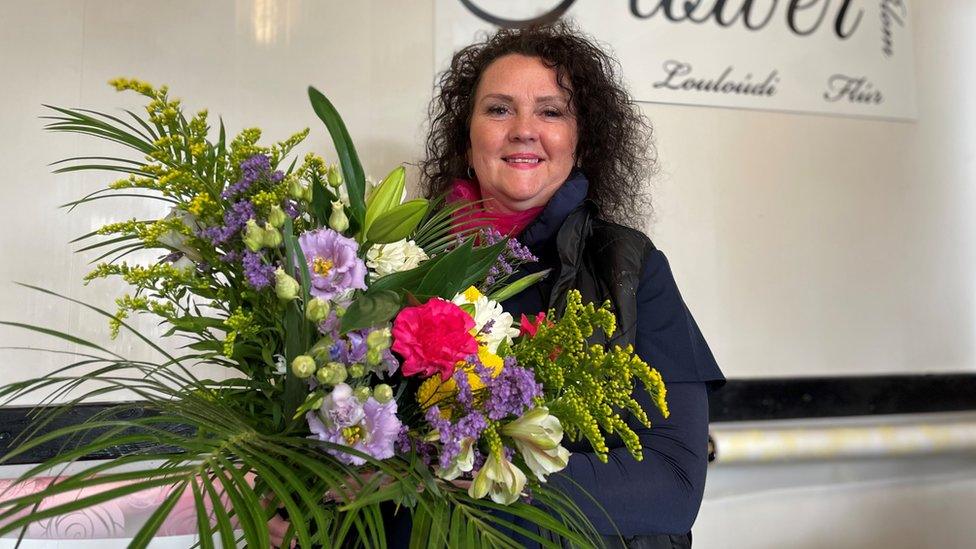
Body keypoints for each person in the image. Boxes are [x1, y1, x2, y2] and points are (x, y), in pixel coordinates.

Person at [415, 21, 725, 548]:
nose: (523, 129)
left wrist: (463, 487)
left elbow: (672, 484)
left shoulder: (630, 267)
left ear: (580, 145)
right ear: (466, 140)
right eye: (498, 109)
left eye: (551, 111)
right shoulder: (398, 265)